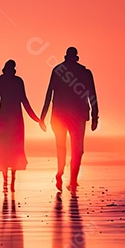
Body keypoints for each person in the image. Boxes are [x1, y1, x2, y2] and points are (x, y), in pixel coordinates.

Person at [39, 47, 98, 192]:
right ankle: (72, 180)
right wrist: (95, 116)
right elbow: (92, 96)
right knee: (77, 149)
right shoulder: (84, 72)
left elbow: (49, 94)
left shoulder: (58, 71)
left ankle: (62, 174)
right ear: (76, 57)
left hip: (59, 116)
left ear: (66, 56)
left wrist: (43, 116)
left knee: (61, 147)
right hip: (77, 116)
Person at [0, 60, 40, 192]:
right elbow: (23, 101)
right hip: (12, 120)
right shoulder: (14, 81)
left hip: (9, 120)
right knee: (9, 150)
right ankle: (10, 181)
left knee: (9, 150)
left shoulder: (7, 81)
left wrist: (36, 119)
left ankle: (8, 181)